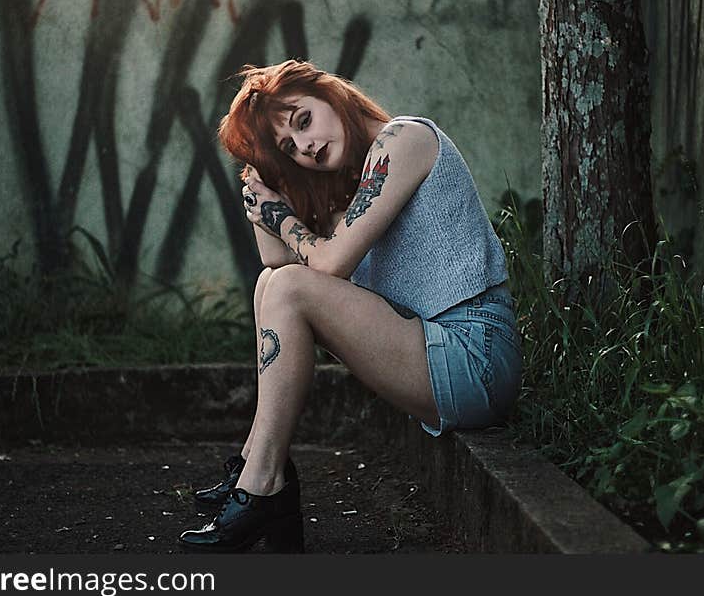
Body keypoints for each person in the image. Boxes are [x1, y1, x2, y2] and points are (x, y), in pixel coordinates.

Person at [177, 59, 522, 553]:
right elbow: (273, 259)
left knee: (292, 288)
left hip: (476, 355)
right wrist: (261, 177)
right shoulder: (353, 185)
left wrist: (283, 217)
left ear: (329, 92)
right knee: (273, 283)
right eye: (290, 148)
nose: (307, 146)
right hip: (433, 348)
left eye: (303, 121)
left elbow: (330, 262)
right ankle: (258, 468)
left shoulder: (404, 142)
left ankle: (263, 485)